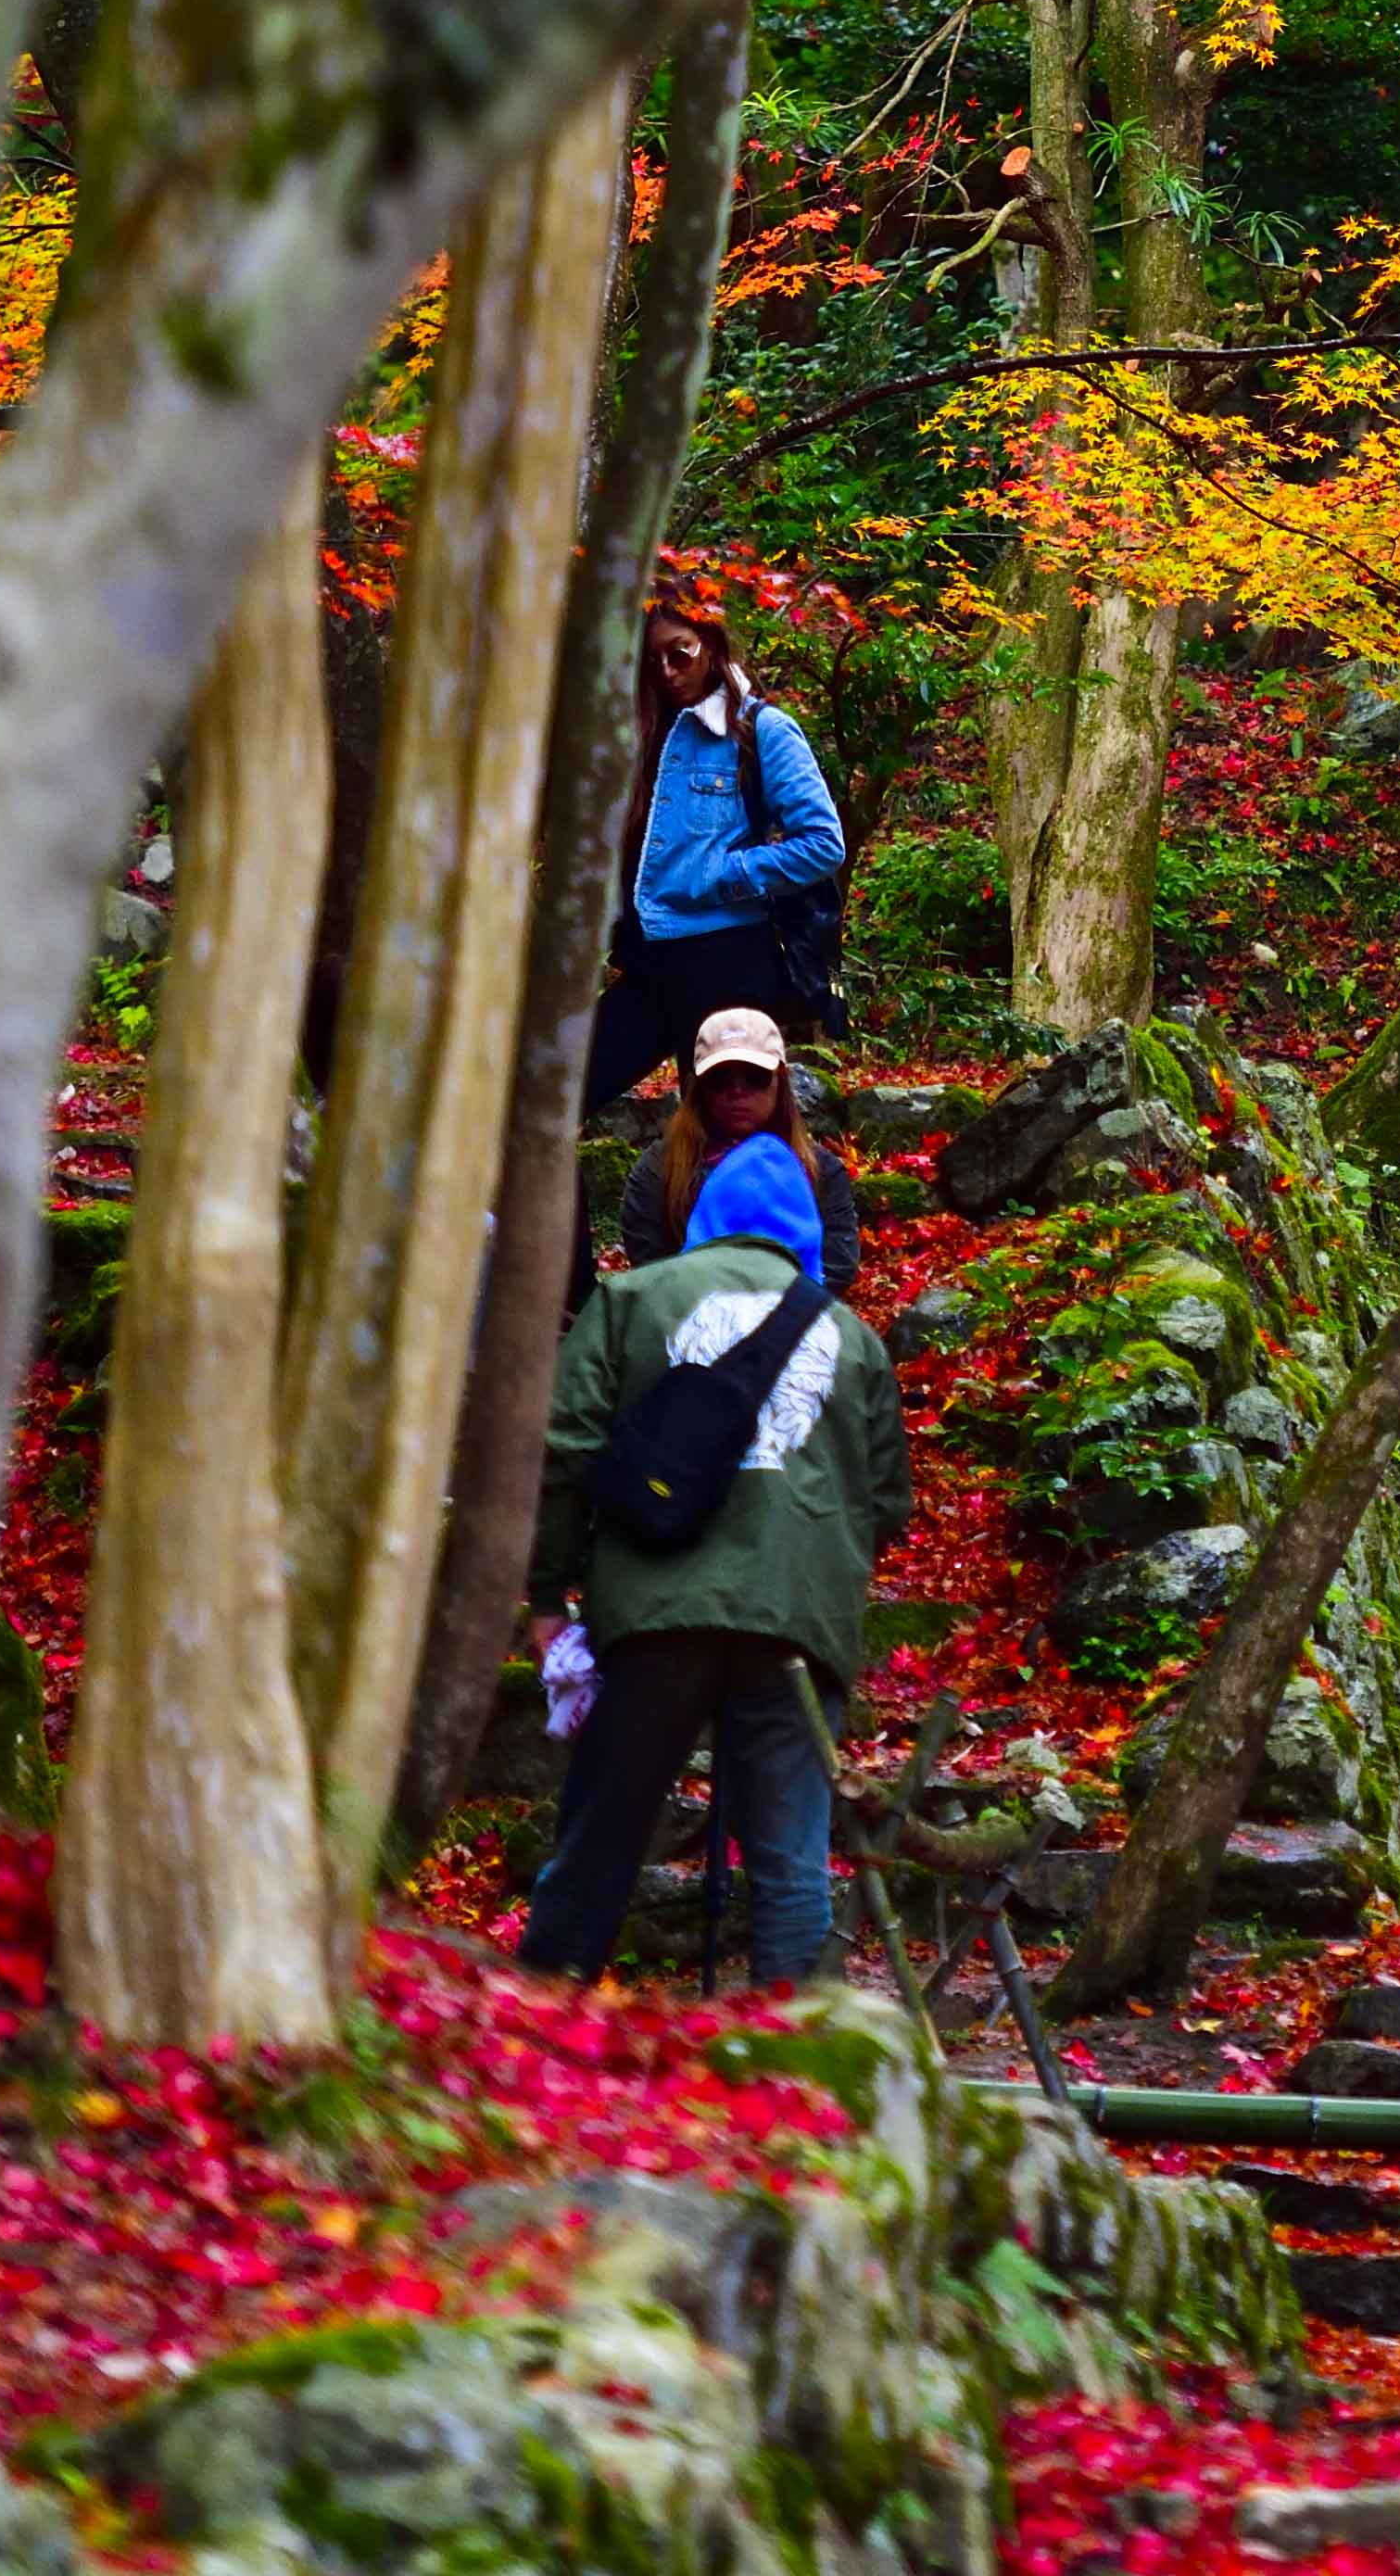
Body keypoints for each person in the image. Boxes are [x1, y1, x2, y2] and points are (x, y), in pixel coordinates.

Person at [517, 1005, 912, 1983]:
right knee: (788, 1860)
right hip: (798, 1615)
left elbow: (564, 1446)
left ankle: (536, 2029)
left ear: (699, 1214)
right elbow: (890, 1499)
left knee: (602, 1839)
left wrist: (547, 1597)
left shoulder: (632, 1300)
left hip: (656, 1602)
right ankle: (798, 2067)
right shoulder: (853, 1340)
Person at [589, 597, 850, 1107]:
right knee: (548, 1104)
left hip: (728, 962)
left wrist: (726, 873)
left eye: (678, 653)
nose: (666, 671)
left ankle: (783, 1190)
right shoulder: (639, 734)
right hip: (650, 962)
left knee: (727, 1133)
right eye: (650, 661)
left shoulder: (759, 729)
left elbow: (823, 843)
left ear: (708, 643)